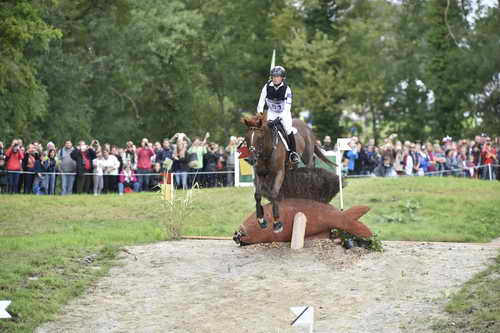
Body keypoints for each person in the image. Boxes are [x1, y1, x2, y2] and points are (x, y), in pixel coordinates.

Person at [256, 65, 299, 164]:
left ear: (282, 78)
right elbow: (261, 101)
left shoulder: (287, 89)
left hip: (284, 113)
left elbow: (288, 107)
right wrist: (260, 113)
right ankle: (259, 151)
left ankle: (293, 153)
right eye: (274, 76)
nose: (275, 79)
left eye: (278, 76)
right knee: (263, 129)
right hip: (271, 112)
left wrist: (279, 119)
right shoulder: (266, 86)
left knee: (288, 130)